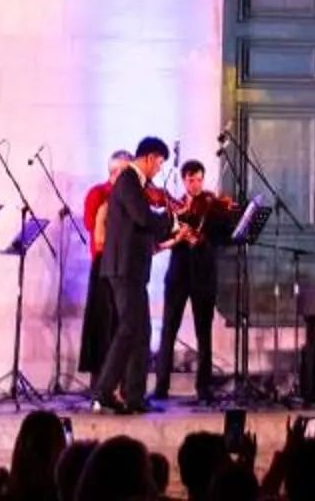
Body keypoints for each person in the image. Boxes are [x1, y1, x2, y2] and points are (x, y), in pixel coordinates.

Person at [92, 137, 175, 413]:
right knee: (130, 326)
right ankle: (104, 390)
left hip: (133, 268)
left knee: (142, 331)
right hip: (123, 267)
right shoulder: (128, 179)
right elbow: (141, 218)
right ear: (150, 158)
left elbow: (140, 220)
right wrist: (170, 220)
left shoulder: (135, 183)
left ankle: (135, 397)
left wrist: (164, 221)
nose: (159, 170)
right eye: (160, 163)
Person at [155, 158, 233, 403]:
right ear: (183, 180)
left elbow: (225, 237)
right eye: (191, 180)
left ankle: (204, 388)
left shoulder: (211, 205)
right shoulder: (174, 207)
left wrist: (205, 236)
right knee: (168, 330)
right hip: (177, 276)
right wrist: (178, 234)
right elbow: (162, 238)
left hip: (204, 276)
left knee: (204, 334)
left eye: (199, 179)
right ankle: (160, 387)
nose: (196, 185)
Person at [77, 150, 132, 389]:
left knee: (124, 324)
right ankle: (99, 384)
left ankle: (124, 385)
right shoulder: (98, 193)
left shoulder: (133, 195)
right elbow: (90, 224)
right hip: (103, 264)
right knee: (101, 324)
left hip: (126, 265)